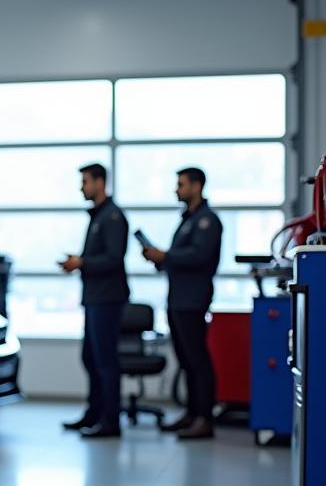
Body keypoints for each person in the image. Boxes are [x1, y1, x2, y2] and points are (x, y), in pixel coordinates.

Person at [142, 167, 223, 441]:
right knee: (187, 360)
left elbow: (199, 256)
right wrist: (160, 259)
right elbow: (180, 257)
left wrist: (165, 255)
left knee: (198, 360)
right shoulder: (187, 220)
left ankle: (204, 419)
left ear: (197, 186)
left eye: (181, 184)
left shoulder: (207, 221)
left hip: (193, 300)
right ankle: (191, 413)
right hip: (178, 299)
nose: (176, 189)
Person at [61, 163, 130, 439]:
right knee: (90, 357)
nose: (82, 187)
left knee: (105, 361)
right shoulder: (98, 216)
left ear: (100, 182)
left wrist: (82, 262)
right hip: (94, 298)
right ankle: (94, 413)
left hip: (108, 299)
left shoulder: (113, 217)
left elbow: (114, 259)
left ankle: (110, 421)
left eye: (86, 181)